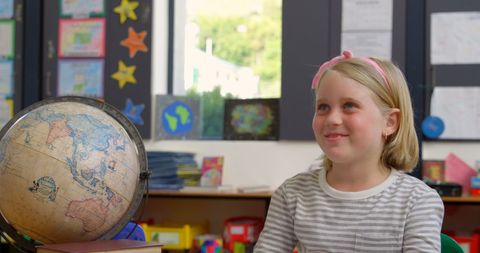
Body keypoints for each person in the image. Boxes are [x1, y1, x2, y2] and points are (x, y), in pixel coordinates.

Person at [254, 51, 444, 252]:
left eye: (349, 106)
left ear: (389, 122)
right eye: (323, 107)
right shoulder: (292, 194)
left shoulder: (417, 201)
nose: (333, 119)